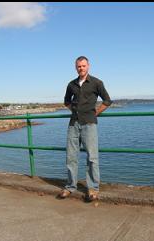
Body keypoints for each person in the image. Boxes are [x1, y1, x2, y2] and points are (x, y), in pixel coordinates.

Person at [60, 56, 112, 201]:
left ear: (88, 66)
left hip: (89, 123)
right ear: (75, 67)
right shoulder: (71, 84)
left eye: (83, 66)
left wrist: (96, 112)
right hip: (73, 124)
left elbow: (107, 100)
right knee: (70, 157)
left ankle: (93, 189)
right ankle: (70, 186)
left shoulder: (96, 82)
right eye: (78, 66)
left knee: (92, 158)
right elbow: (66, 101)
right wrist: (74, 111)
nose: (81, 68)